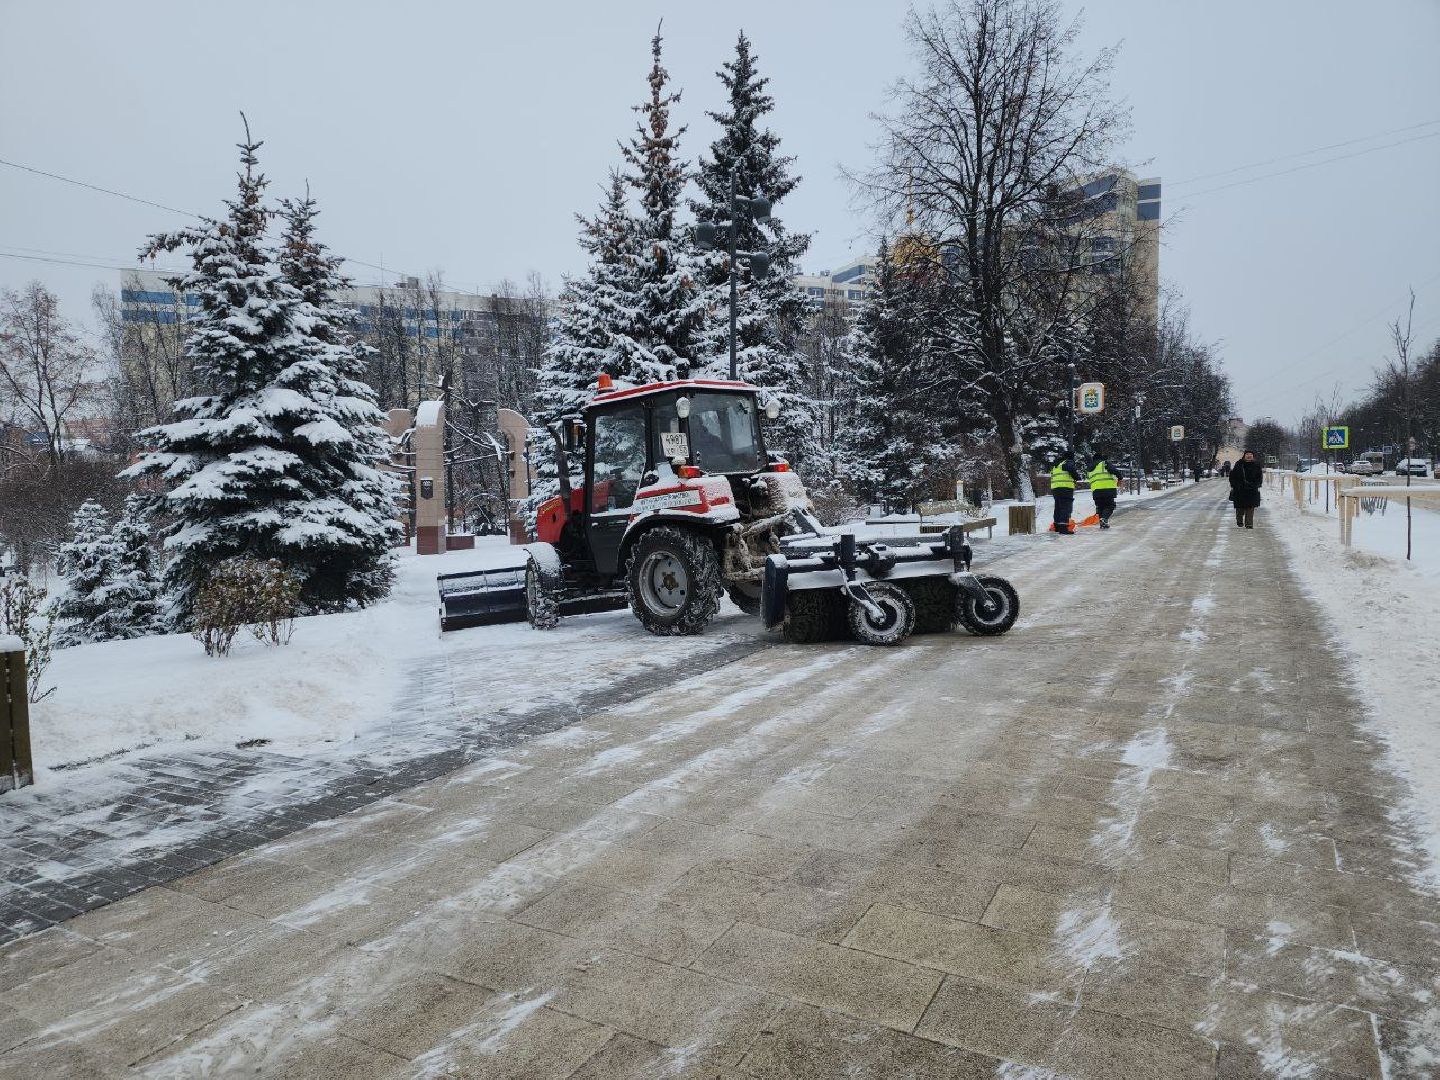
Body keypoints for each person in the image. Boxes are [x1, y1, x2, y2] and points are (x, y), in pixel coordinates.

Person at [1229, 449, 1263, 528]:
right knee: (1240, 508)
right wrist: (1235, 485)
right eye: (1247, 454)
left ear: (1253, 456)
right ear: (1244, 456)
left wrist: (1257, 484)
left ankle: (1249, 524)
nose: (1249, 456)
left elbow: (1259, 477)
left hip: (1252, 490)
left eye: (1250, 454)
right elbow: (1232, 476)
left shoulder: (1256, 465)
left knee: (1250, 508)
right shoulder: (1239, 464)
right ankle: (1239, 521)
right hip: (1240, 490)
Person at [1049, 450, 1080, 534]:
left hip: (1056, 488)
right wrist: (1077, 477)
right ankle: (1063, 528)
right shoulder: (1068, 462)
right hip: (1065, 487)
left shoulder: (1057, 464)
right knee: (1066, 507)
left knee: (1058, 507)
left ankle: (1057, 526)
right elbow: (1070, 468)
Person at [1087, 453, 1120, 529]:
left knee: (1100, 507)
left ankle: (1103, 523)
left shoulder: (1090, 468)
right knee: (1110, 506)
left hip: (1096, 491)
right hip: (1107, 489)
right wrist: (1120, 477)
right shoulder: (1104, 463)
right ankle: (1104, 519)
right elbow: (1114, 470)